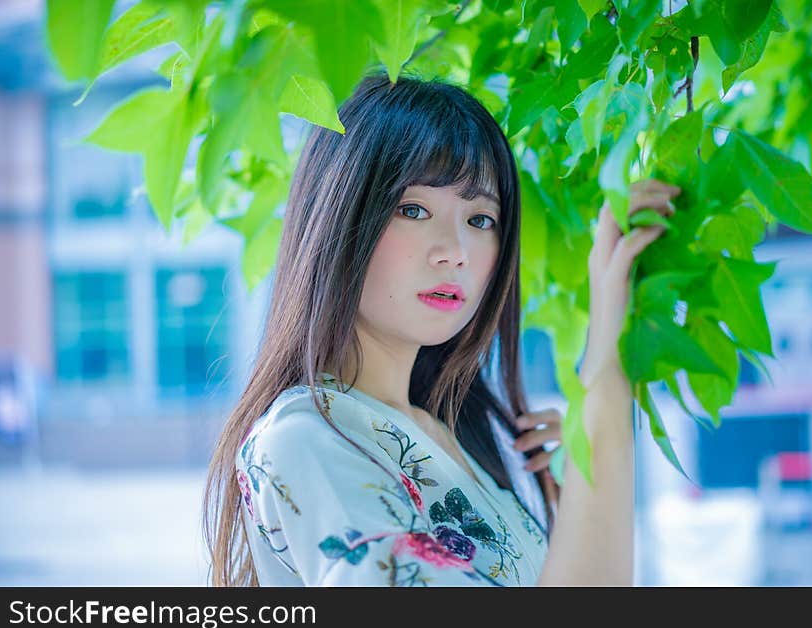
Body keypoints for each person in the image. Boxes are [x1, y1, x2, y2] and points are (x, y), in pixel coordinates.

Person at [202, 71, 680, 586]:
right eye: (413, 209)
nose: (453, 250)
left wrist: (580, 507)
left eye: (480, 220)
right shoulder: (306, 437)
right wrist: (607, 378)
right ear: (340, 216)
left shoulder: (454, 439)